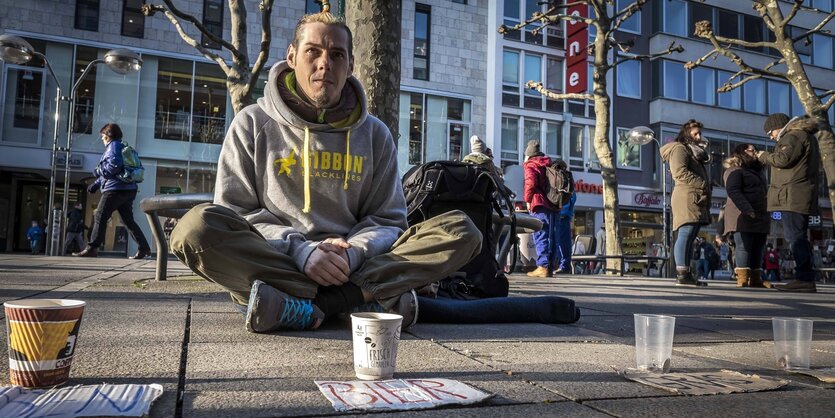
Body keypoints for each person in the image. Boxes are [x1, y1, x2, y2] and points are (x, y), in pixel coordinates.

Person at [169, 11, 481, 333]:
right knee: (193, 229)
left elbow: (388, 220)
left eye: (336, 54)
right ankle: (362, 300)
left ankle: (306, 307)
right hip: (281, 261)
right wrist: (303, 252)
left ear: (351, 64)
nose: (324, 63)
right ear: (292, 57)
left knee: (461, 231)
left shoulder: (375, 135)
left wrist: (353, 254)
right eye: (312, 51)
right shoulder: (251, 123)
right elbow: (236, 211)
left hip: (355, 265)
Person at [757, 113, 821, 292]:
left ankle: (804, 279)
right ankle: (805, 278)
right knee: (798, 237)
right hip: (797, 194)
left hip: (792, 196)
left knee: (795, 238)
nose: (771, 136)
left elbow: (782, 159)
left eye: (770, 132)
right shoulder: (804, 135)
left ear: (780, 127)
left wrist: (763, 156)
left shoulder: (793, 136)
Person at [74, 123, 151, 260]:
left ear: (108, 136)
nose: (102, 140)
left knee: (100, 216)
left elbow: (114, 167)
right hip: (128, 189)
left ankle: (92, 248)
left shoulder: (113, 146)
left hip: (116, 189)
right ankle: (144, 248)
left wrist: (98, 171)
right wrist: (96, 184)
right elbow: (113, 172)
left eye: (103, 137)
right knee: (127, 221)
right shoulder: (121, 145)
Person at [660, 119, 711, 286]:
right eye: (695, 133)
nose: (699, 136)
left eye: (700, 133)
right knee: (685, 234)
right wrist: (702, 184)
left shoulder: (693, 151)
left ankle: (686, 274)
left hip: (695, 195)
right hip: (687, 196)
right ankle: (682, 274)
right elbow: (679, 172)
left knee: (690, 236)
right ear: (686, 134)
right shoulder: (679, 148)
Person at [723, 144, 770, 288]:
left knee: (758, 247)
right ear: (742, 153)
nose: (755, 153)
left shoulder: (757, 172)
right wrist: (747, 209)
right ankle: (742, 278)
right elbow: (733, 190)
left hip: (760, 214)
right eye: (751, 150)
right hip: (742, 215)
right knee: (744, 246)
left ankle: (755, 278)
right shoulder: (735, 170)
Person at [523, 140, 560, 278]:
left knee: (540, 233)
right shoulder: (549, 163)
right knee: (553, 235)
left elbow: (530, 183)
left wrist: (527, 199)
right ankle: (550, 266)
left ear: (528, 154)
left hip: (539, 203)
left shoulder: (531, 165)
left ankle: (542, 266)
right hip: (554, 203)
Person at [554, 159, 577, 275]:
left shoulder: (562, 179)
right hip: (565, 215)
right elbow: (573, 197)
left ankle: (564, 265)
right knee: (563, 241)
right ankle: (564, 265)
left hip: (561, 214)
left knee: (561, 241)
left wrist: (562, 210)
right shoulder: (568, 178)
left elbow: (570, 198)